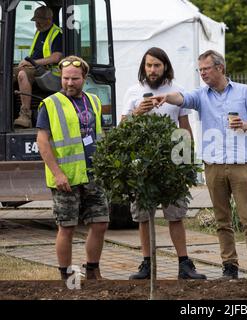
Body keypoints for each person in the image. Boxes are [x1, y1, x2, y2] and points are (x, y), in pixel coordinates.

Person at [150, 50, 247, 280]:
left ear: (220, 68)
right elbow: (183, 98)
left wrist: (245, 125)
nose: (202, 73)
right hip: (213, 165)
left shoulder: (245, 92)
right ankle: (229, 267)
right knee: (222, 221)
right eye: (200, 70)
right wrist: (166, 97)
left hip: (240, 165)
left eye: (206, 69)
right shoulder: (201, 95)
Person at [122, 47, 206, 280]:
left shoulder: (177, 92)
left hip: (171, 164)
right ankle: (147, 264)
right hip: (142, 165)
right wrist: (137, 112)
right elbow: (122, 129)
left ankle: (184, 265)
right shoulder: (133, 92)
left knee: (176, 215)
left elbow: (184, 127)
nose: (152, 70)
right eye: (149, 65)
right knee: (143, 216)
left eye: (157, 65)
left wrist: (188, 161)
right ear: (143, 67)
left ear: (165, 67)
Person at [36, 56, 109, 280]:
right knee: (67, 227)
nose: (69, 83)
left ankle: (93, 269)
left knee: (100, 223)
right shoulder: (50, 104)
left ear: (84, 78)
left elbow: (99, 135)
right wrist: (57, 173)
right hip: (65, 177)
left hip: (93, 173)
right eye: (65, 78)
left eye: (74, 79)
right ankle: (66, 275)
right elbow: (42, 141)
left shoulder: (94, 101)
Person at [14, 5, 63, 128]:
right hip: (35, 67)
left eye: (39, 21)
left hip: (51, 72)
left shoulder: (57, 34)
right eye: (35, 21)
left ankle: (25, 115)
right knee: (5, 74)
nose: (36, 24)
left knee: (22, 74)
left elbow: (56, 57)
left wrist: (32, 63)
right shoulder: (39, 32)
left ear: (49, 19)